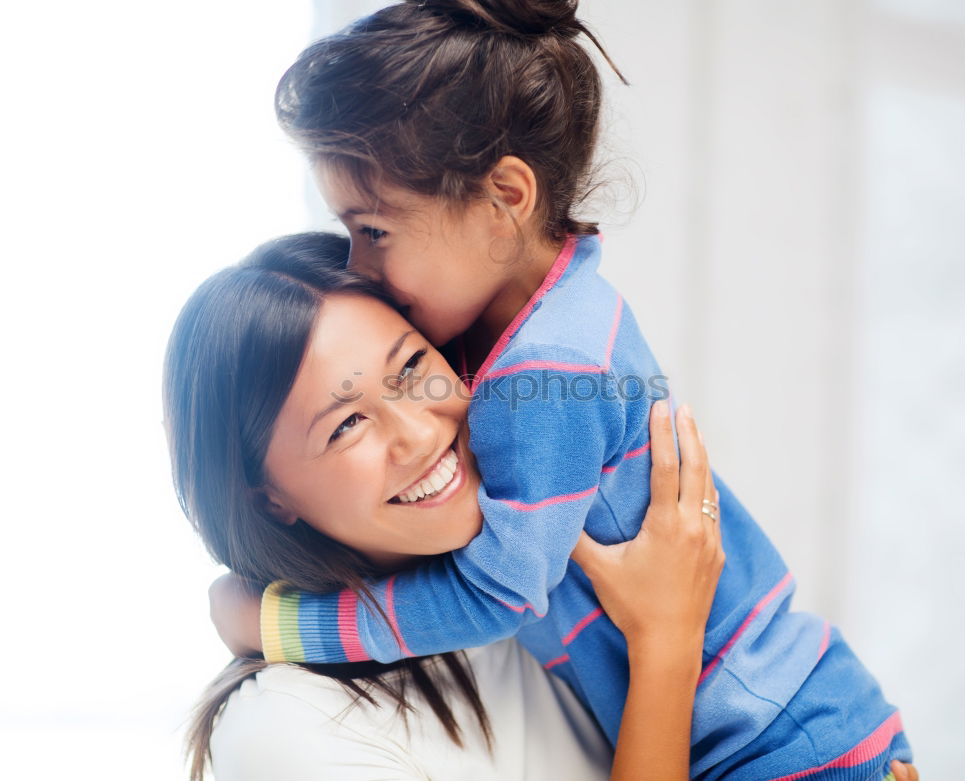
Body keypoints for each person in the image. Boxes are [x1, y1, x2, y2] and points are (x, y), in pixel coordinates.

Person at [211, 1, 915, 778]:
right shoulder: (556, 311)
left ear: (505, 201)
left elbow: (497, 596)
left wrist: (281, 624)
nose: (360, 266)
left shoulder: (544, 372)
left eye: (374, 230)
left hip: (783, 744)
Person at [164, 232, 726, 780]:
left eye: (410, 368)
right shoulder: (287, 732)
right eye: (347, 425)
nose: (419, 434)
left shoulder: (539, 554)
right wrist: (667, 641)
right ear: (268, 500)